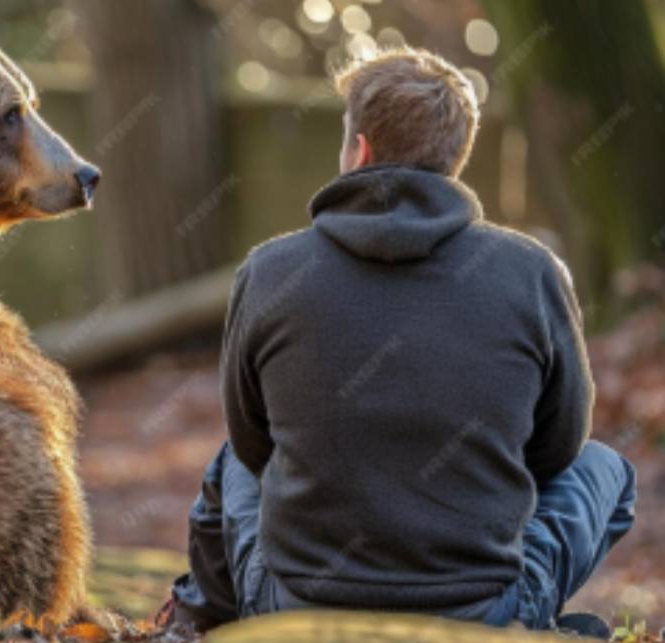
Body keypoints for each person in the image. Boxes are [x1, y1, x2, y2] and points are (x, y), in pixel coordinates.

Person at [161, 47, 636, 637]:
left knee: (230, 460)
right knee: (605, 467)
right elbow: (558, 449)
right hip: (486, 611)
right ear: (454, 161)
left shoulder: (270, 271)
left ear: (358, 149)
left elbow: (253, 445)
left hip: (294, 606)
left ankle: (197, 619)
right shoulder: (532, 272)